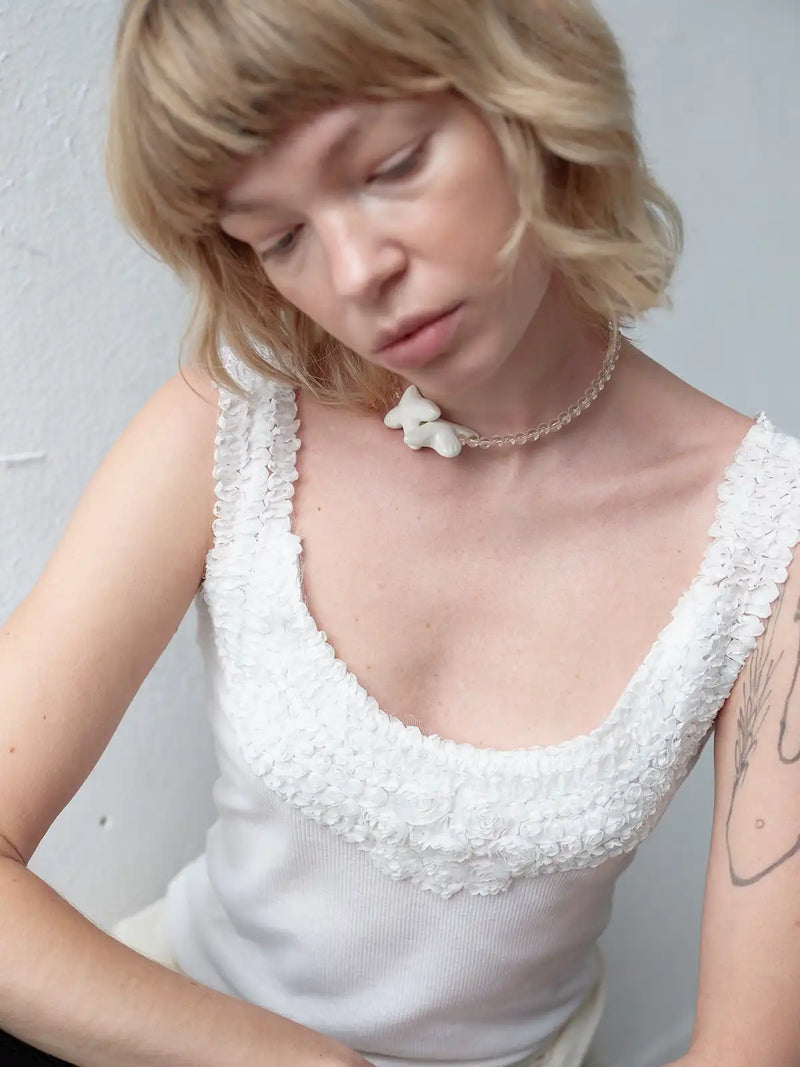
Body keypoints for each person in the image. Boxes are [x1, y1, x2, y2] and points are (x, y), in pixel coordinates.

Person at [1, 1, 799, 1065]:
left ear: (524, 96)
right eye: (280, 237)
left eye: (389, 166)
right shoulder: (235, 424)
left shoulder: (766, 538)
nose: (353, 273)